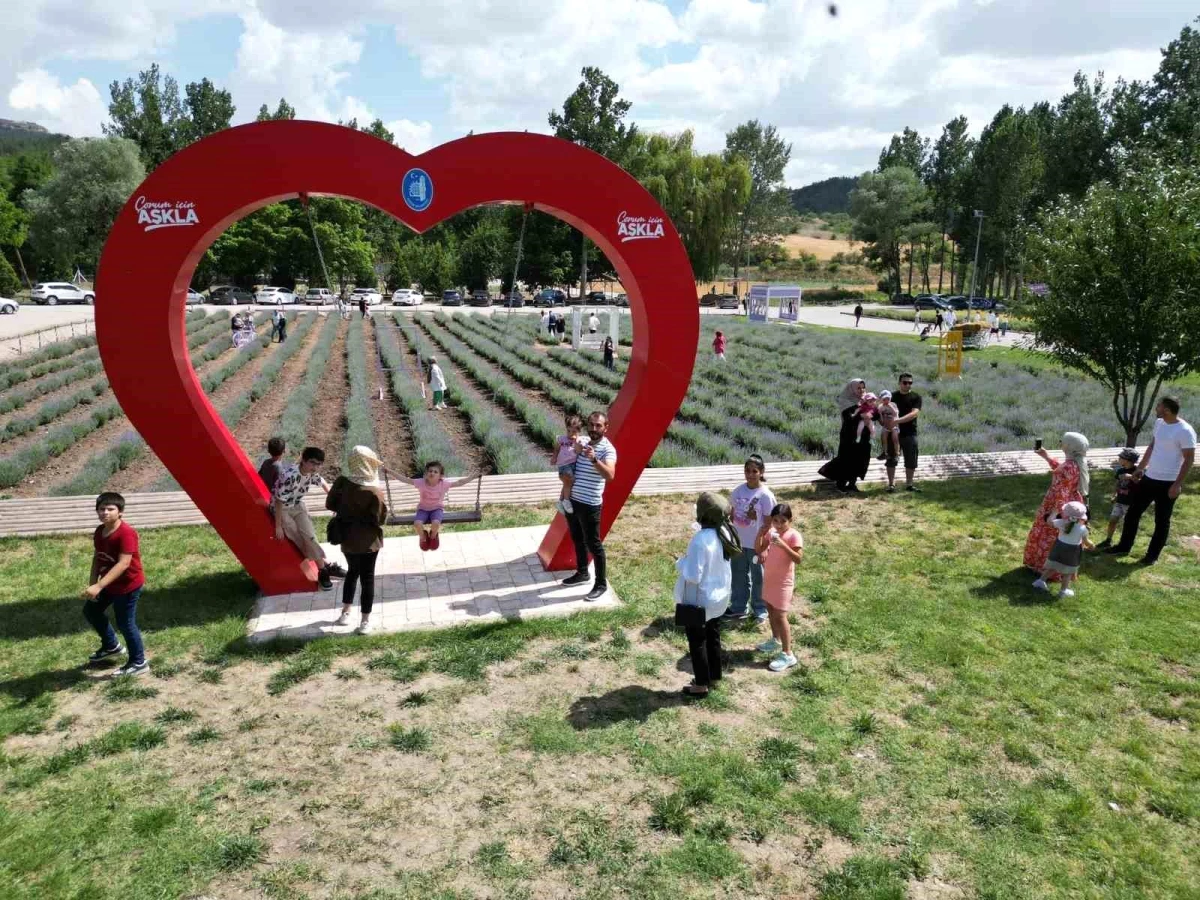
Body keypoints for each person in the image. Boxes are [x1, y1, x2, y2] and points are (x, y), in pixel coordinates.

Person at [1106, 397, 1196, 565]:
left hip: (1168, 482)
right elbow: (1153, 446)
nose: (1156, 409)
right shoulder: (1160, 423)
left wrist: (1177, 484)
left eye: (1159, 406)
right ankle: (1124, 546)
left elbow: (1189, 459)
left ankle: (1152, 556)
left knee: (1161, 521)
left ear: (1167, 410)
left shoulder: (1185, 431)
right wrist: (1140, 468)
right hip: (1149, 478)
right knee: (1133, 513)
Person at [675, 492, 739, 697]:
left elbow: (693, 576)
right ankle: (714, 674)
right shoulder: (725, 532)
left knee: (697, 640)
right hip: (719, 596)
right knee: (713, 635)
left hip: (699, 600)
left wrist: (680, 562)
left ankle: (701, 684)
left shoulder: (700, 540)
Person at [83, 492, 149, 676]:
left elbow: (123, 564)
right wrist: (92, 583)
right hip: (108, 583)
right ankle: (111, 646)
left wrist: (99, 586)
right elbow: (98, 557)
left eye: (110, 509)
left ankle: (139, 662)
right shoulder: (99, 531)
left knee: (126, 623)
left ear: (120, 512)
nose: (105, 512)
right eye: (101, 509)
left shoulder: (126, 533)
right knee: (91, 610)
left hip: (127, 585)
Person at [326, 446, 388, 634]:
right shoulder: (374, 491)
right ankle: (365, 622)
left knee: (352, 573)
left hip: (347, 539)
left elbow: (329, 504)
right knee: (367, 578)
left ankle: (345, 612)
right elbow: (380, 519)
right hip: (369, 542)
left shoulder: (342, 482)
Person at [562, 411, 617, 601]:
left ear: (605, 427)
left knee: (594, 544)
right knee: (577, 538)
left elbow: (610, 475)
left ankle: (600, 584)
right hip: (573, 500)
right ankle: (582, 573)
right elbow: (566, 450)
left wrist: (594, 459)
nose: (594, 429)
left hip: (590, 504)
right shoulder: (583, 440)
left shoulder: (608, 449)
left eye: (598, 425)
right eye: (591, 424)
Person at [272, 446, 344, 591]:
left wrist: (334, 501)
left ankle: (324, 569)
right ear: (303, 461)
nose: (315, 467)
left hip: (298, 506)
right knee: (298, 538)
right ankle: (325, 568)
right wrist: (278, 525)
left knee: (310, 536)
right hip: (282, 509)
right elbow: (279, 501)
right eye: (312, 463)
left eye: (318, 464)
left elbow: (322, 482)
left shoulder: (312, 473)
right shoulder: (290, 475)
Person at [1023, 432, 1090, 579]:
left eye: (1062, 441)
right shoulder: (1075, 463)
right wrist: (1046, 457)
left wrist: (1054, 513)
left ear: (1069, 446)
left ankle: (1043, 568)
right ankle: (1061, 570)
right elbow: (1062, 471)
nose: (1060, 443)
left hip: (1058, 502)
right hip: (1072, 501)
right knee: (1065, 534)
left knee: (1047, 533)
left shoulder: (1068, 466)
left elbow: (1062, 490)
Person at [725, 454, 775, 624]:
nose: (750, 474)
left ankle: (760, 608)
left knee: (758, 576)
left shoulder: (765, 495)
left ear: (761, 472)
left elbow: (769, 523)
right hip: (739, 542)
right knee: (738, 574)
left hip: (756, 543)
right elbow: (732, 514)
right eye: (747, 471)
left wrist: (757, 516)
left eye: (754, 471)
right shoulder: (738, 491)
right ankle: (738, 607)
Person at [755, 503, 804, 671]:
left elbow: (798, 559)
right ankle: (775, 640)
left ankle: (788, 654)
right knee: (770, 609)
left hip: (784, 583)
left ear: (790, 520)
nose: (778, 524)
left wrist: (783, 545)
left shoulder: (793, 536)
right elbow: (759, 549)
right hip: (770, 579)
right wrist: (760, 534)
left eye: (783, 521)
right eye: (775, 520)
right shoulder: (772, 532)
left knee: (781, 616)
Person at [411, 461, 481, 551]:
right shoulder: (421, 482)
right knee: (417, 524)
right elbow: (406, 480)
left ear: (440, 476)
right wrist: (389, 472)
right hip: (423, 509)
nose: (432, 473)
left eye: (435, 472)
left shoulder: (443, 484)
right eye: (430, 471)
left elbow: (459, 482)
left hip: (436, 509)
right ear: (426, 473)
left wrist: (473, 476)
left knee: (436, 523)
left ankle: (433, 536)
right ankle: (423, 537)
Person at [817, 379, 871, 494]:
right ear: (852, 388)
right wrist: (860, 405)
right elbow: (849, 418)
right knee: (846, 459)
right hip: (849, 435)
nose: (861, 390)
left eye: (863, 388)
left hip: (863, 434)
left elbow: (873, 414)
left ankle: (852, 484)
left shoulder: (866, 400)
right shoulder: (845, 400)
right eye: (858, 388)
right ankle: (841, 484)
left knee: (860, 459)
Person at [1033, 501, 1093, 598]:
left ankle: (1040, 581)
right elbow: (1086, 542)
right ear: (1082, 517)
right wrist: (1091, 545)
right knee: (1068, 572)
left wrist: (1054, 513)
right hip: (1072, 552)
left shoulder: (1062, 523)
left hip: (1058, 548)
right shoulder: (1083, 529)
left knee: (1052, 567)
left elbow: (1049, 522)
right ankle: (1063, 591)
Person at [1096, 448, 1140, 549]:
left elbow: (1141, 484)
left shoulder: (1137, 471)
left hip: (1130, 503)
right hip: (1119, 501)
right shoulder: (1120, 470)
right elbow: (1117, 483)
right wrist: (1114, 494)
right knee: (1112, 520)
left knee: (1128, 524)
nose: (1118, 459)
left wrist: (1130, 477)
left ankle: (1124, 543)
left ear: (1128, 460)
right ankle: (1108, 540)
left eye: (1120, 457)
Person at [889, 373, 923, 492]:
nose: (907, 385)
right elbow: (881, 408)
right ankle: (891, 485)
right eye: (905, 382)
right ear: (899, 383)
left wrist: (898, 420)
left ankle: (909, 484)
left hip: (910, 433)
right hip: (893, 433)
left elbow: (914, 414)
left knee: (911, 459)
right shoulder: (892, 396)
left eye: (910, 383)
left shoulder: (916, 397)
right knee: (891, 459)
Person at [553, 414, 588, 515]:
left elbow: (582, 448)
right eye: (568, 431)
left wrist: (581, 445)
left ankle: (560, 501)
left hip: (572, 465)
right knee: (570, 481)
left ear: (578, 431)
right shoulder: (562, 439)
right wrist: (554, 457)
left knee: (567, 483)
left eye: (573, 431)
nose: (570, 434)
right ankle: (566, 501)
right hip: (564, 465)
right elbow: (556, 448)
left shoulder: (578, 440)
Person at [875, 390, 901, 476]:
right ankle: (885, 453)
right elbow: (879, 414)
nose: (886, 401)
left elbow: (896, 413)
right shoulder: (881, 406)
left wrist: (890, 406)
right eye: (884, 399)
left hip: (894, 426)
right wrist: (881, 419)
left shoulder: (893, 404)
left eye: (888, 399)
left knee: (895, 439)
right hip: (886, 426)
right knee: (884, 437)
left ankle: (897, 454)